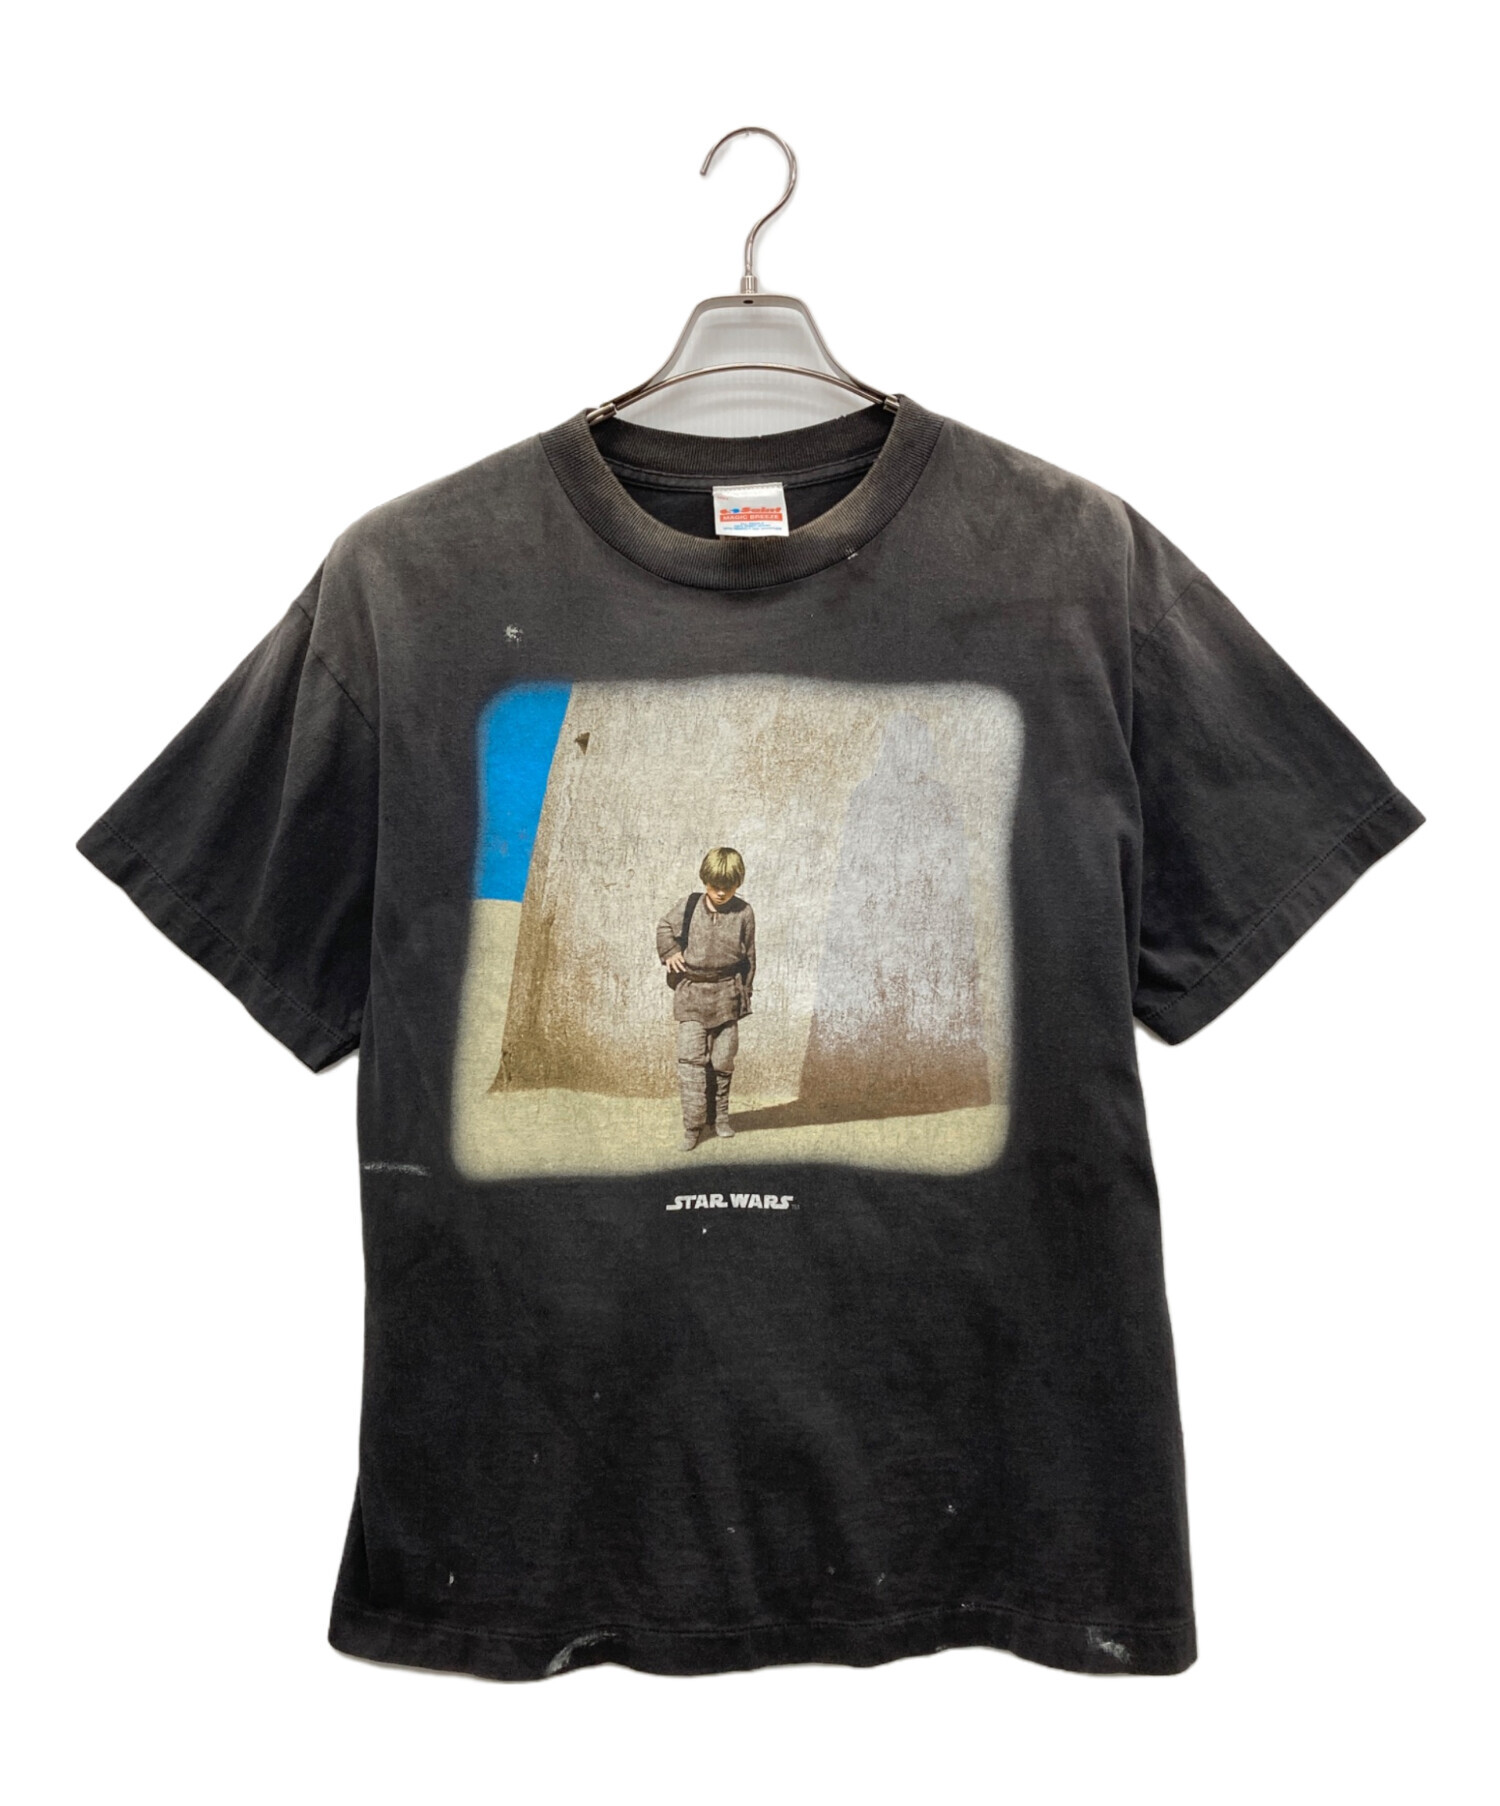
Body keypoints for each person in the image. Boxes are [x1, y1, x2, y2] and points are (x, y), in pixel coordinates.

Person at [656, 848, 756, 1151]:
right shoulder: (688, 905)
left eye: (729, 886)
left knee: (723, 1061)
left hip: (727, 994)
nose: (721, 892)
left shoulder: (744, 912)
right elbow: (664, 928)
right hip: (692, 995)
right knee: (690, 1062)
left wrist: (744, 995)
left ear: (738, 883)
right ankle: (693, 1126)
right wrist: (670, 952)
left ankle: (720, 1117)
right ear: (705, 881)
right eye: (715, 886)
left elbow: (749, 958)